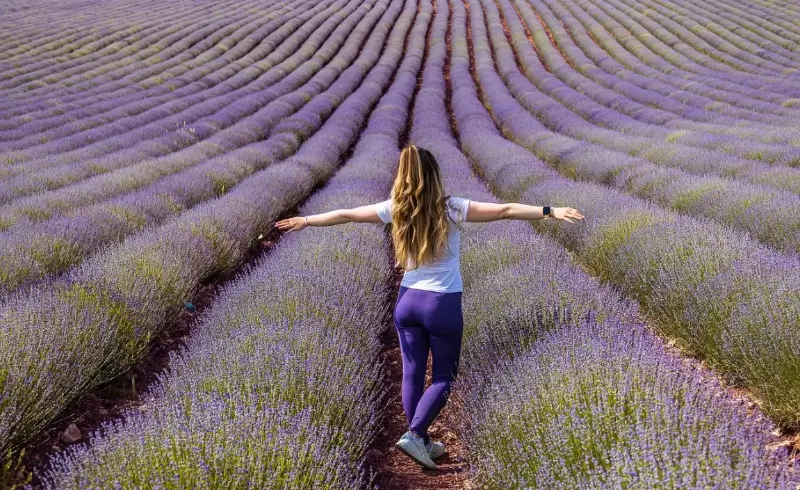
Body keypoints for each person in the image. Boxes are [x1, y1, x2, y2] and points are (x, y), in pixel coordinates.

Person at [275, 144, 584, 470]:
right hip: (441, 303)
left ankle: (421, 442)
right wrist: (550, 210)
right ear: (435, 176)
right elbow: (505, 210)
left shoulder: (396, 209)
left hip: (407, 302)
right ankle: (415, 434)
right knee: (443, 376)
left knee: (412, 374)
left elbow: (347, 214)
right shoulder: (452, 208)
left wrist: (305, 220)